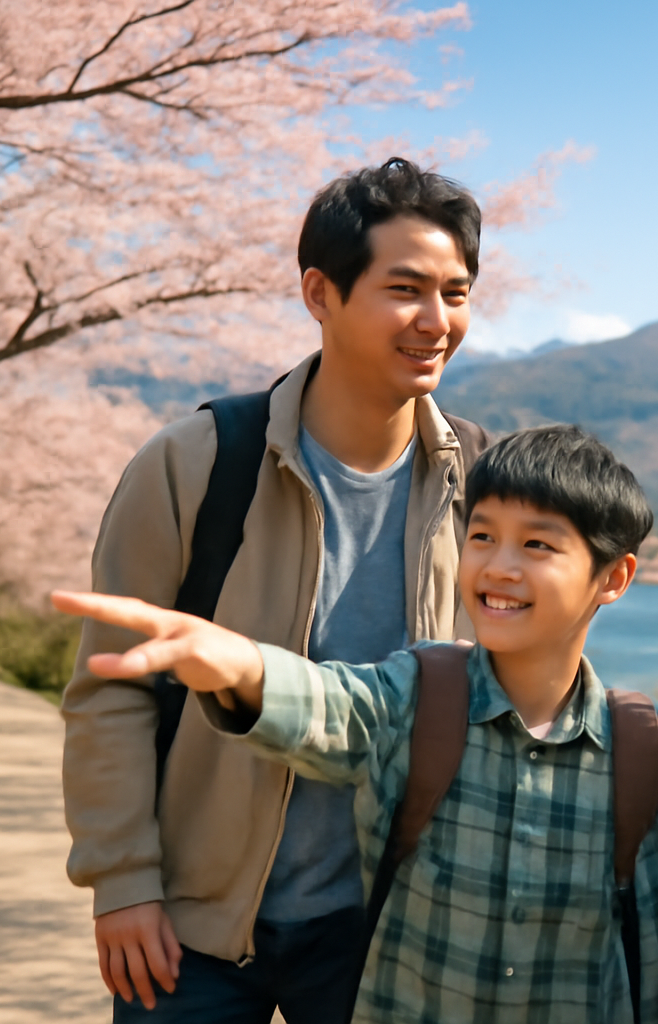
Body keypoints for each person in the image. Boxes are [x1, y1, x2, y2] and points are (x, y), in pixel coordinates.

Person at [54, 425, 658, 1024]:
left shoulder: (646, 748)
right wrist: (237, 663)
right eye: (481, 535)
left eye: (537, 544)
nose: (499, 566)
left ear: (614, 577)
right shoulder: (424, 693)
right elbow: (325, 705)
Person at [60, 157, 490, 1021]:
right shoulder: (196, 464)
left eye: (457, 291)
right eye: (405, 289)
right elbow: (112, 693)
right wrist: (124, 884)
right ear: (319, 293)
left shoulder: (480, 481)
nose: (436, 321)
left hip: (386, 931)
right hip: (195, 929)